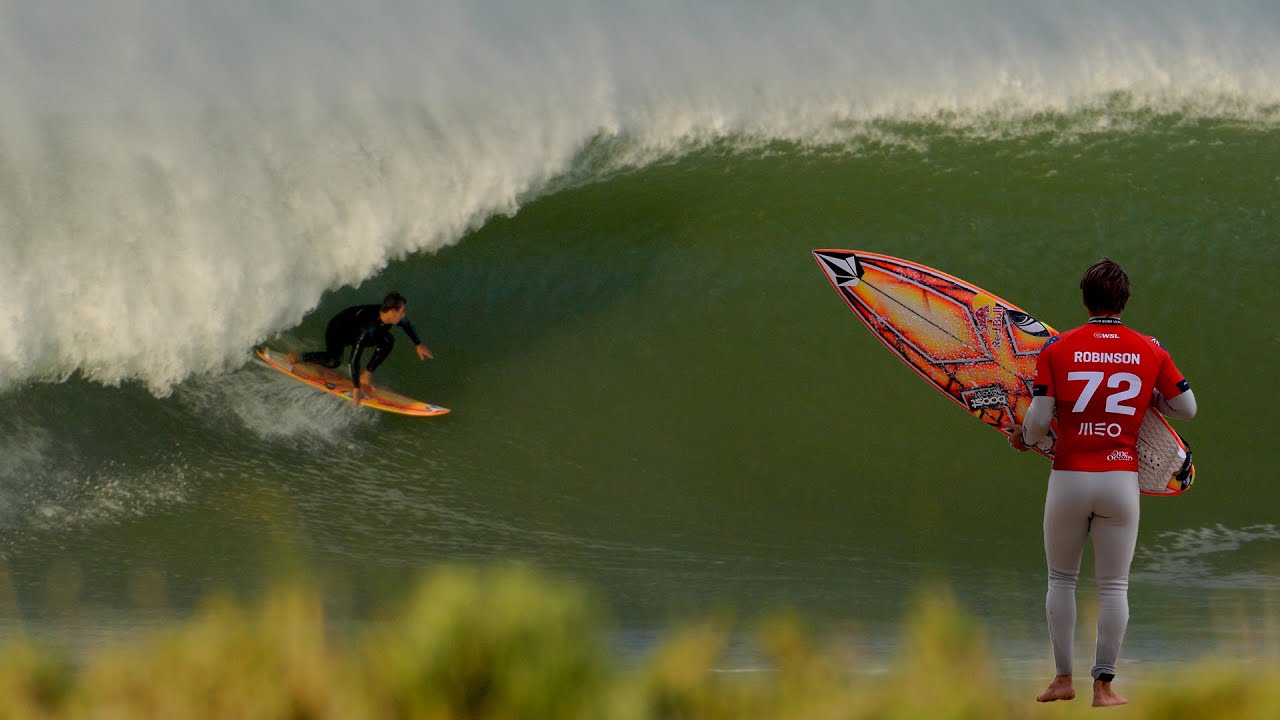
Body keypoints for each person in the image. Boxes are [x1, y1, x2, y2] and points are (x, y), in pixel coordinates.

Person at [1008, 258, 1196, 707]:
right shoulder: (1149, 349)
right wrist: (1149, 397)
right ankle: (1104, 687)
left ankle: (1062, 680)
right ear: (1124, 301)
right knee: (1114, 586)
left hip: (1071, 476)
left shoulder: (1057, 347)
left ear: (1085, 299)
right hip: (1120, 478)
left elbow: (1037, 424)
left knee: (1061, 579)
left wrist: (1023, 437)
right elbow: (1186, 407)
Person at [287, 291, 433, 406]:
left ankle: (366, 376)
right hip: (338, 330)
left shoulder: (388, 317)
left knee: (388, 340)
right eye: (402, 311)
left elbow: (406, 324)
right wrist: (356, 388)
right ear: (393, 311)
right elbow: (354, 360)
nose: (404, 314)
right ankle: (302, 357)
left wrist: (418, 344)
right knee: (334, 361)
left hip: (356, 330)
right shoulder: (368, 327)